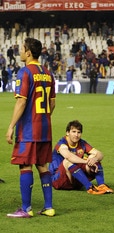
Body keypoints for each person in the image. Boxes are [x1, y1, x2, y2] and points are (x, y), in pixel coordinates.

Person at [6, 38, 56, 218]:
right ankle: (48, 207)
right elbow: (52, 102)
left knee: (25, 165)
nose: (19, 52)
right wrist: (43, 117)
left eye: (21, 49)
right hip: (45, 128)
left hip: (28, 129)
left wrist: (11, 126)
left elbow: (21, 101)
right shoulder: (48, 73)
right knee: (43, 165)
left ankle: (26, 209)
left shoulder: (25, 72)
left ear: (28, 52)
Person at [50, 120, 114, 195]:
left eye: (79, 132)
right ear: (67, 133)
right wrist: (86, 161)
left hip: (74, 179)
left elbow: (100, 154)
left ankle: (102, 185)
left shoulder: (81, 143)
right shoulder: (62, 144)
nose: (76, 135)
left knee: (93, 156)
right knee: (67, 161)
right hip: (58, 180)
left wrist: (94, 159)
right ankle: (90, 187)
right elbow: (69, 156)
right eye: (73, 132)